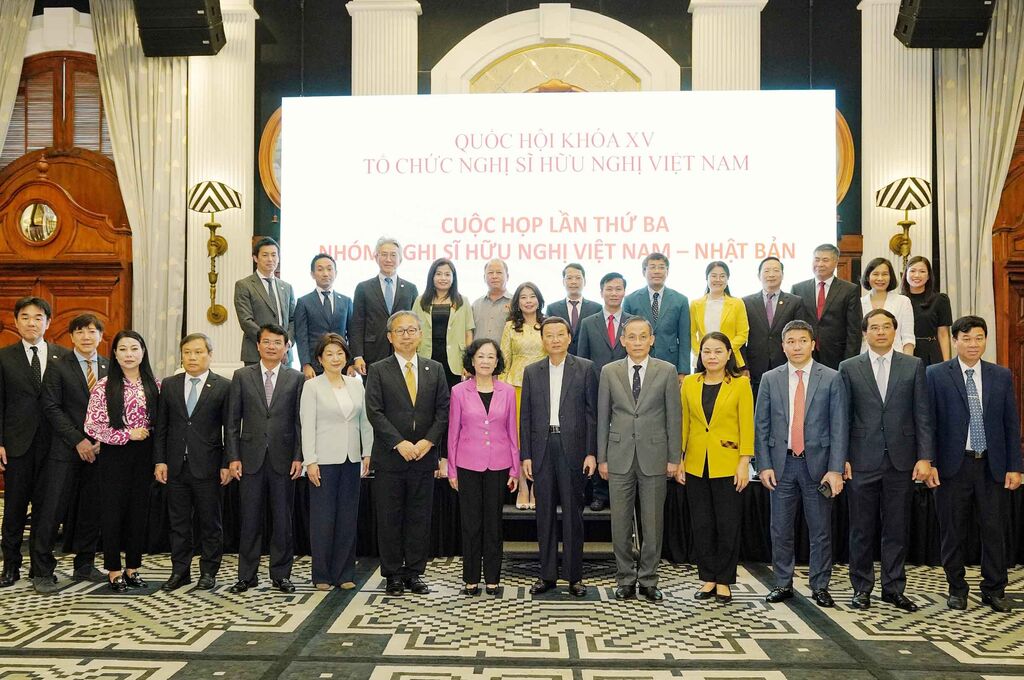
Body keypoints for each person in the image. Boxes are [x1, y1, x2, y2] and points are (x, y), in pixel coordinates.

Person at [839, 309, 934, 612]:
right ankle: (861, 588)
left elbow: (922, 414)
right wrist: (841, 458)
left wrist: (925, 457)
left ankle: (893, 588)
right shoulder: (849, 367)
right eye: (874, 327)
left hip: (901, 460)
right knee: (861, 529)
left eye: (886, 327)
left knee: (896, 528)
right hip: (861, 460)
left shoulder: (913, 365)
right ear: (865, 333)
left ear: (895, 331)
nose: (880, 332)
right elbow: (842, 417)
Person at [926, 316, 1022, 613]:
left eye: (979, 338)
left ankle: (994, 589)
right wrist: (929, 462)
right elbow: (928, 423)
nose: (973, 344)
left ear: (985, 341)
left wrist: (1015, 466)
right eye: (966, 338)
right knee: (952, 531)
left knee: (994, 530)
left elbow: (1010, 422)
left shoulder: (1000, 375)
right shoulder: (936, 374)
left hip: (992, 466)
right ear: (955, 341)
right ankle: (957, 588)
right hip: (952, 466)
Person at [755, 320, 848, 608]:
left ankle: (820, 585)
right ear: (783, 346)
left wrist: (835, 469)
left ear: (813, 344)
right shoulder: (770, 378)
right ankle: (782, 583)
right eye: (791, 341)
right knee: (780, 529)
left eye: (802, 341)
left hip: (817, 467)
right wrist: (764, 465)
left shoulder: (831, 377)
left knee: (820, 531)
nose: (797, 346)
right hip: (781, 465)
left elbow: (839, 426)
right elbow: (761, 425)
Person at [365, 311, 450, 596]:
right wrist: (399, 442)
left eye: (412, 330)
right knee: (390, 518)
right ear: (390, 337)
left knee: (419, 518)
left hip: (423, 457)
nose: (406, 336)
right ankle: (392, 575)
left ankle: (414, 573)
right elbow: (374, 411)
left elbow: (443, 410)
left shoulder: (434, 369)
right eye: (400, 331)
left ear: (420, 335)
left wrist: (428, 442)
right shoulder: (378, 370)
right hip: (391, 457)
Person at [597, 317, 682, 602]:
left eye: (642, 336)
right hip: (618, 456)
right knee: (620, 522)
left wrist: (674, 457)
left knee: (653, 523)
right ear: (623, 341)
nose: (637, 342)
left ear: (651, 340)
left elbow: (674, 417)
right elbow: (603, 417)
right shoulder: (609, 371)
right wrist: (602, 457)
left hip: (655, 456)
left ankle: (648, 579)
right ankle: (624, 578)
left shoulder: (667, 371)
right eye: (631, 337)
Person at [225, 323, 305, 594]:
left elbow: (299, 422)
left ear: (286, 347)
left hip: (284, 459)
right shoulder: (242, 376)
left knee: (283, 520)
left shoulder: (296, 378)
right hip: (249, 459)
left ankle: (281, 575)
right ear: (257, 345)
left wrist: (298, 456)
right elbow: (232, 421)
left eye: (277, 342)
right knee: (249, 519)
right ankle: (246, 575)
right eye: (267, 342)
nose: (272, 347)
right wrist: (233, 457)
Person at [31, 314, 108, 593]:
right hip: (64, 449)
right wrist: (78, 440)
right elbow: (51, 407)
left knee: (91, 509)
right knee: (52, 510)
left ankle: (85, 564)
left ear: (101, 336)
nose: (86, 337)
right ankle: (42, 570)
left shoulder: (109, 366)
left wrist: (99, 440)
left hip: (99, 450)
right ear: (71, 337)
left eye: (92, 331)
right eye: (80, 332)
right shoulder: (58, 366)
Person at [521, 318, 597, 596]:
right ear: (542, 340)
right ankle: (547, 575)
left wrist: (591, 452)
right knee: (544, 515)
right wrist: (526, 455)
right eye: (549, 335)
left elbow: (592, 414)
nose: (554, 339)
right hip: (542, 449)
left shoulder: (585, 368)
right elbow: (525, 416)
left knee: (573, 514)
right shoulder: (532, 371)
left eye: (560, 334)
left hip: (573, 450)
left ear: (569, 338)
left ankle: (575, 577)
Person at [678, 332, 753, 604]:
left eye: (718, 351)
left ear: (729, 354)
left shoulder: (740, 384)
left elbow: (747, 424)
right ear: (700, 355)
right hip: (696, 463)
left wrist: (744, 462)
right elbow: (684, 423)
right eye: (707, 351)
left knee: (727, 524)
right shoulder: (690, 383)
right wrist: (680, 459)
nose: (712, 356)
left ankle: (724, 580)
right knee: (702, 524)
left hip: (728, 463)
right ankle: (708, 577)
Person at [153, 333, 231, 592]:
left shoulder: (223, 386)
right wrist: (160, 460)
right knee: (178, 523)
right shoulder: (170, 384)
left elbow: (230, 429)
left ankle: (209, 571)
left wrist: (227, 462)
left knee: (210, 523)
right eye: (187, 352)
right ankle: (180, 571)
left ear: (210, 355)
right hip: (175, 465)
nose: (192, 357)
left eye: (198, 352)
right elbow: (161, 427)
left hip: (209, 466)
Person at [0, 297, 69, 588]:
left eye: (38, 317)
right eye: (25, 317)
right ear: (16, 322)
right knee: (14, 508)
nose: (32, 323)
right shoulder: (4, 357)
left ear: (48, 322)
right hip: (17, 444)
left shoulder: (63, 356)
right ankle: (11, 565)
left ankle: (42, 567)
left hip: (54, 446)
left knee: (47, 508)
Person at [84, 330, 160, 592]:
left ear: (143, 352)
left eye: (134, 348)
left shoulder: (154, 385)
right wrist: (127, 434)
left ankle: (133, 568)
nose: (129, 354)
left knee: (138, 512)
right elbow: (92, 426)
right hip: (115, 456)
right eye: (123, 349)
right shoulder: (103, 386)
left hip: (145, 455)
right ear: (114, 354)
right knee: (113, 512)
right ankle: (114, 570)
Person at [300, 333, 372, 591]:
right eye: (329, 354)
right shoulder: (312, 386)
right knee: (323, 519)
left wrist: (367, 452)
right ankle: (321, 574)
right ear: (320, 359)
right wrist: (310, 461)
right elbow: (307, 426)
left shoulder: (356, 385)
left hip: (351, 459)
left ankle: (344, 573)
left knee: (347, 518)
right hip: (323, 461)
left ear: (346, 357)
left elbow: (365, 421)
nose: (335, 358)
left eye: (340, 353)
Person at [448, 339, 519, 596]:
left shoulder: (507, 391)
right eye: (480, 356)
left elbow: (512, 431)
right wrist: (452, 470)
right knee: (470, 523)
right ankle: (470, 578)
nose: (486, 361)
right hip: (467, 464)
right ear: (472, 360)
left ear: (497, 361)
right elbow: (453, 433)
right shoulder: (458, 391)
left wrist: (514, 469)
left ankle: (492, 578)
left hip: (499, 464)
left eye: (490, 356)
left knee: (493, 523)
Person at [577, 272, 633, 511]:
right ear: (601, 292)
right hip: (596, 388)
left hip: (628, 390)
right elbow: (581, 359)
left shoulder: (634, 322)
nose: (614, 293)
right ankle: (599, 493)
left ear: (624, 292)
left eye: (618, 289)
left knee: (625, 437)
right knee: (600, 437)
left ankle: (625, 491)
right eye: (609, 289)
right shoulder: (588, 322)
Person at [499, 282, 547, 509]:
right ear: (517, 302)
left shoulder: (547, 324)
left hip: (544, 387)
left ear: (539, 299)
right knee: (518, 437)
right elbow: (504, 359)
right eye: (523, 297)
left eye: (532, 296)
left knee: (539, 436)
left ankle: (537, 487)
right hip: (515, 386)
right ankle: (522, 487)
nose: (528, 301)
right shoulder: (510, 326)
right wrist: (500, 391)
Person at [742, 256, 812, 397]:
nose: (771, 274)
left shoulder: (795, 302)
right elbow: (742, 337)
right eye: (767, 271)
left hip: (785, 363)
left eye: (776, 270)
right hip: (755, 365)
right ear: (759, 275)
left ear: (782, 275)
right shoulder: (746, 302)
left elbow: (800, 334)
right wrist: (744, 366)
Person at [351, 237, 419, 376]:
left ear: (400, 259)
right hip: (372, 355)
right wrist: (357, 356)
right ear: (376, 257)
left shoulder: (410, 289)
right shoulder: (363, 288)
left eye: (393, 255)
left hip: (404, 352)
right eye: (384, 254)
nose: (388, 259)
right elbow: (357, 324)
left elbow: (415, 324)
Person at [622, 252, 691, 382]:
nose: (657, 271)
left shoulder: (680, 300)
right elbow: (626, 336)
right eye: (652, 267)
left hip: (670, 362)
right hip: (638, 362)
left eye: (661, 267)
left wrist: (683, 371)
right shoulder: (630, 300)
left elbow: (684, 338)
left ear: (667, 271)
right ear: (644, 272)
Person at [792, 243, 861, 369]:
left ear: (836, 262)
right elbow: (793, 326)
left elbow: (854, 330)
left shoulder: (849, 290)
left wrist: (850, 362)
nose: (820, 264)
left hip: (837, 355)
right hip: (804, 353)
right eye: (816, 259)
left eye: (825, 260)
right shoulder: (798, 289)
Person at [413, 257, 475, 389]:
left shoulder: (462, 301)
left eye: (447, 274)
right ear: (432, 277)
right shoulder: (420, 301)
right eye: (439, 274)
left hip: (454, 358)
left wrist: (468, 361)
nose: (443, 278)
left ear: (453, 278)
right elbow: (413, 330)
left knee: (452, 395)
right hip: (427, 355)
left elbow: (468, 333)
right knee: (427, 395)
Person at [234, 237, 296, 366]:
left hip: (284, 355)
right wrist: (269, 343)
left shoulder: (287, 287)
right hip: (256, 353)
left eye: (274, 255)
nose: (270, 259)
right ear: (255, 258)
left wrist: (286, 344)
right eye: (265, 255)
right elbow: (246, 321)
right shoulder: (244, 285)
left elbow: (293, 320)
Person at [294, 253, 354, 379]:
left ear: (336, 273)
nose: (325, 273)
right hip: (314, 366)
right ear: (312, 274)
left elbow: (352, 335)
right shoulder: (304, 302)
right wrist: (306, 364)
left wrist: (351, 363)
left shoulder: (346, 301)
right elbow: (301, 337)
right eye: (320, 269)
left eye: (329, 269)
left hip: (341, 365)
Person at [690, 261, 750, 369]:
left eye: (722, 276)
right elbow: (691, 334)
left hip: (730, 359)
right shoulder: (695, 304)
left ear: (727, 279)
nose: (718, 279)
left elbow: (743, 334)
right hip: (704, 360)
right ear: (707, 278)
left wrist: (724, 351)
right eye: (713, 276)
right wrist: (702, 352)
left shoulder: (737, 303)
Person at [901, 256, 952, 366]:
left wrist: (946, 364)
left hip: (931, 353)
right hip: (905, 352)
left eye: (922, 271)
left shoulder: (940, 300)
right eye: (912, 271)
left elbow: (943, 334)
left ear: (929, 276)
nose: (917, 275)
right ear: (906, 274)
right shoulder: (899, 301)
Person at [859, 257, 915, 354]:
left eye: (885, 274)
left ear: (890, 277)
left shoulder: (903, 301)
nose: (880, 278)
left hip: (896, 357)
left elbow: (908, 338)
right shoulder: (859, 303)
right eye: (875, 274)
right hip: (865, 357)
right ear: (868, 277)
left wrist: (908, 361)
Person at [546, 263, 601, 356]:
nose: (573, 282)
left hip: (588, 359)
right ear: (563, 282)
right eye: (569, 278)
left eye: (578, 278)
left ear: (585, 281)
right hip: (561, 358)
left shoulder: (596, 308)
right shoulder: (552, 309)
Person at [471, 259, 512, 344]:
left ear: (507, 276)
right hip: (479, 352)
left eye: (499, 272)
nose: (494, 276)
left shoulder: (516, 303)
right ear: (484, 277)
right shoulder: (476, 305)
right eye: (490, 273)